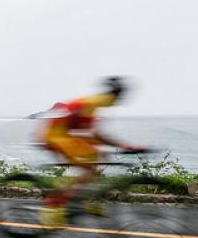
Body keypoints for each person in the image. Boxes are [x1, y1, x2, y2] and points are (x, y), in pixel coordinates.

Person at [40, 76, 142, 227]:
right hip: (56, 136)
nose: (119, 101)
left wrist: (103, 148)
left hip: (63, 134)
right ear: (114, 95)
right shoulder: (93, 103)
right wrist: (126, 146)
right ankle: (51, 207)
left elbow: (87, 133)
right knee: (88, 170)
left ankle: (85, 200)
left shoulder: (96, 103)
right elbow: (94, 135)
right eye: (119, 97)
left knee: (93, 167)